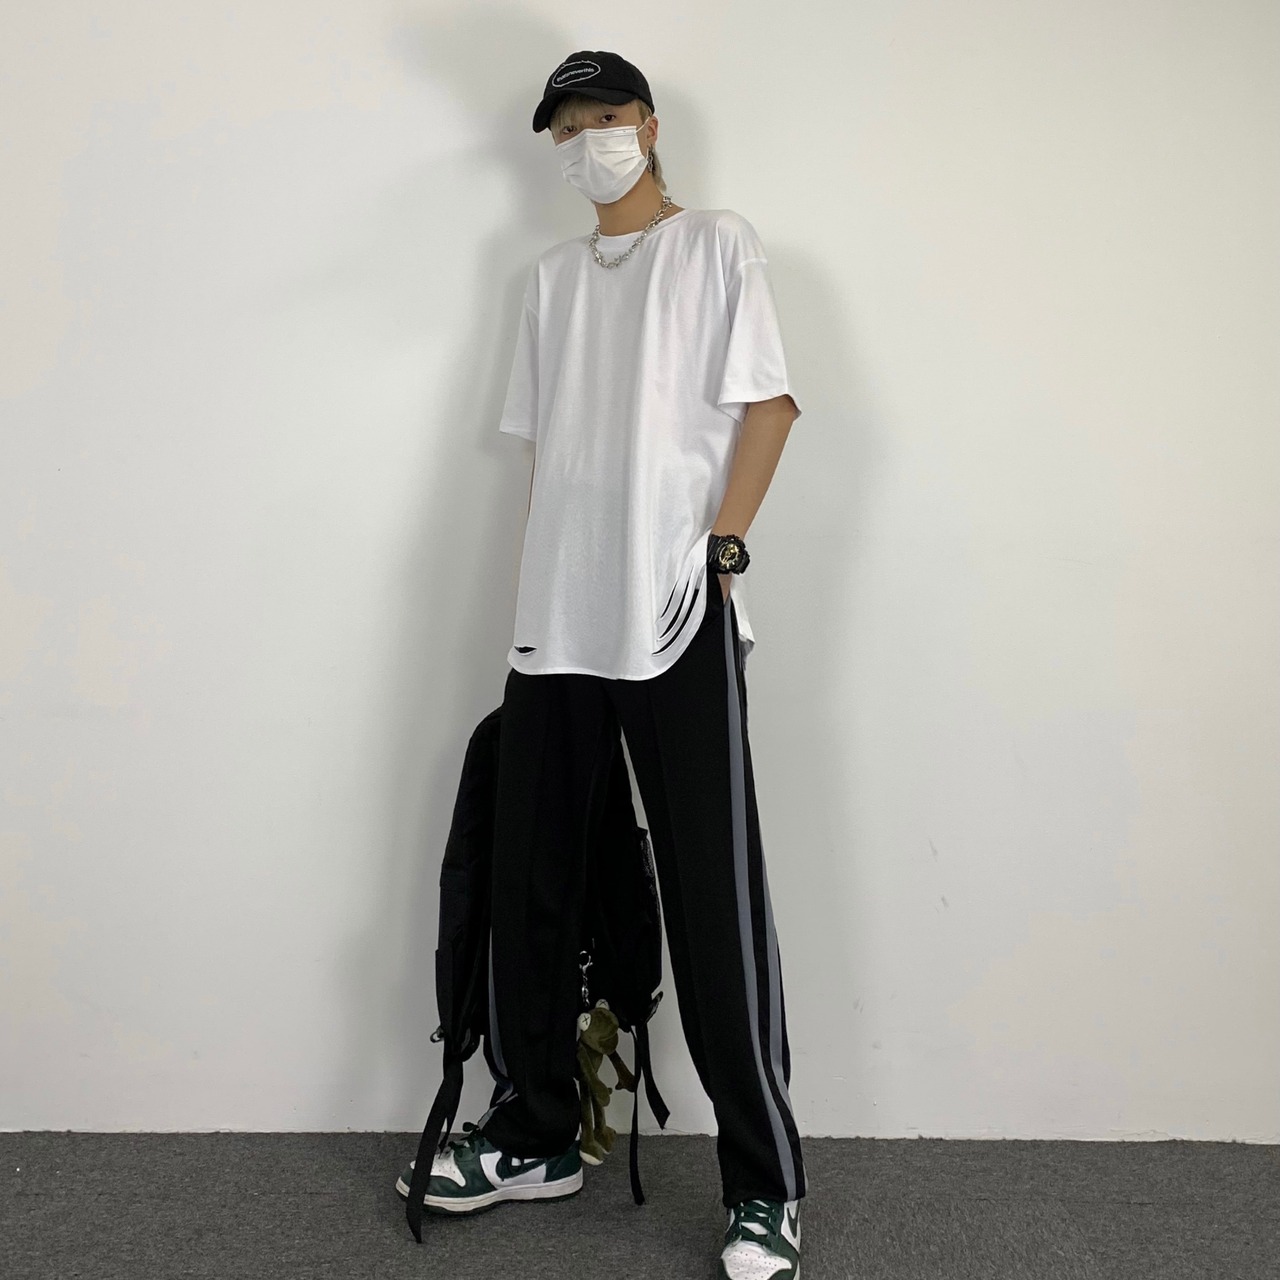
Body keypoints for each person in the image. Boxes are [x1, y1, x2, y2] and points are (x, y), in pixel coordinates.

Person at [397, 50, 807, 1280]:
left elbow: (769, 406)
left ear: (650, 123)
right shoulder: (549, 281)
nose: (589, 142)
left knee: (710, 896)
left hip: (671, 611)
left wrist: (720, 547)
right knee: (530, 875)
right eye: (567, 128)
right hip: (556, 623)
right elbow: (551, 456)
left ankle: (763, 1184)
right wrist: (536, 599)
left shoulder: (716, 245)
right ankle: (534, 1133)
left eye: (606, 117)